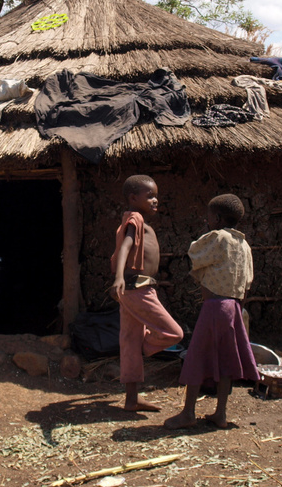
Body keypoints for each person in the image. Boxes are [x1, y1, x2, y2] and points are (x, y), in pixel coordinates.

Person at [164, 193, 259, 429]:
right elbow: (247, 282)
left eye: (208, 216)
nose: (207, 220)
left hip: (214, 307)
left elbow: (195, 254)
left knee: (196, 358)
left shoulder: (218, 238)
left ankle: (188, 413)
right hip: (234, 308)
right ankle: (221, 413)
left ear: (216, 218)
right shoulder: (244, 245)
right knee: (226, 360)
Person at [111, 174, 184, 412]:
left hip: (134, 290)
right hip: (138, 290)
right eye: (149, 195)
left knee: (130, 343)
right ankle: (145, 347)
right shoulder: (135, 219)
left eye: (156, 196)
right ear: (133, 198)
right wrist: (119, 276)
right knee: (174, 333)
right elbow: (125, 246)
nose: (155, 200)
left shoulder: (136, 220)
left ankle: (132, 399)